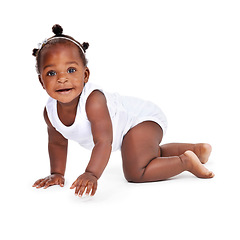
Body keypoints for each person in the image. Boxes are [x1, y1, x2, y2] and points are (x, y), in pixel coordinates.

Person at [32, 24, 214, 197]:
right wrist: (56, 173)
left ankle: (186, 162)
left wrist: (91, 174)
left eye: (71, 70)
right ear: (41, 81)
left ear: (85, 75)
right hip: (131, 128)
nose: (62, 79)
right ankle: (196, 151)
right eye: (51, 73)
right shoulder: (50, 112)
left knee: (136, 171)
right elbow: (57, 143)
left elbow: (104, 141)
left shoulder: (93, 101)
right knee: (144, 154)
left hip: (140, 120)